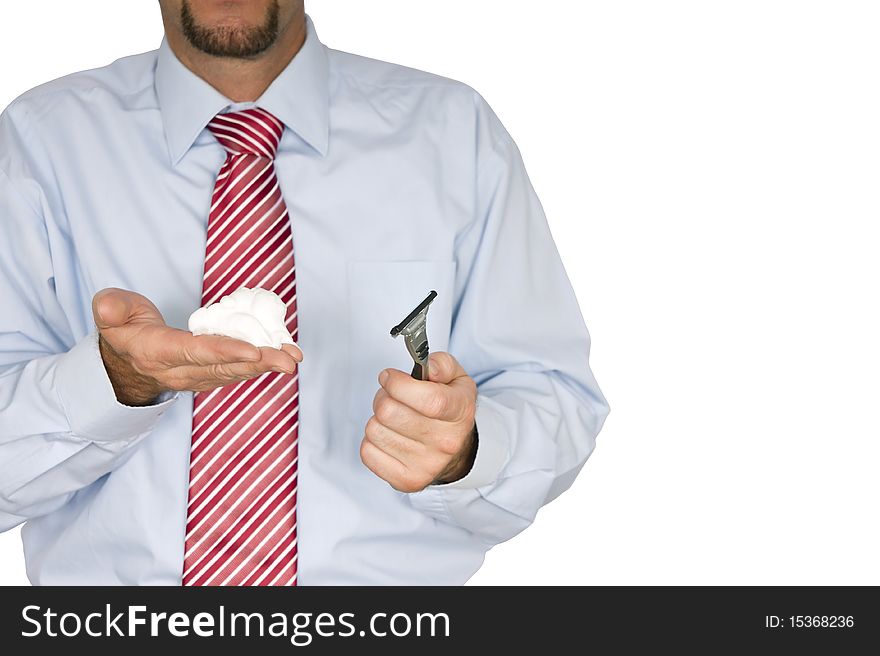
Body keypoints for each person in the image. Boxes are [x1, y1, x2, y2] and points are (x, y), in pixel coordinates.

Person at [0, 0, 608, 585]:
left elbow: (556, 399)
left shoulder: (454, 133)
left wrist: (464, 454)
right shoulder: (37, 143)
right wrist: (117, 383)